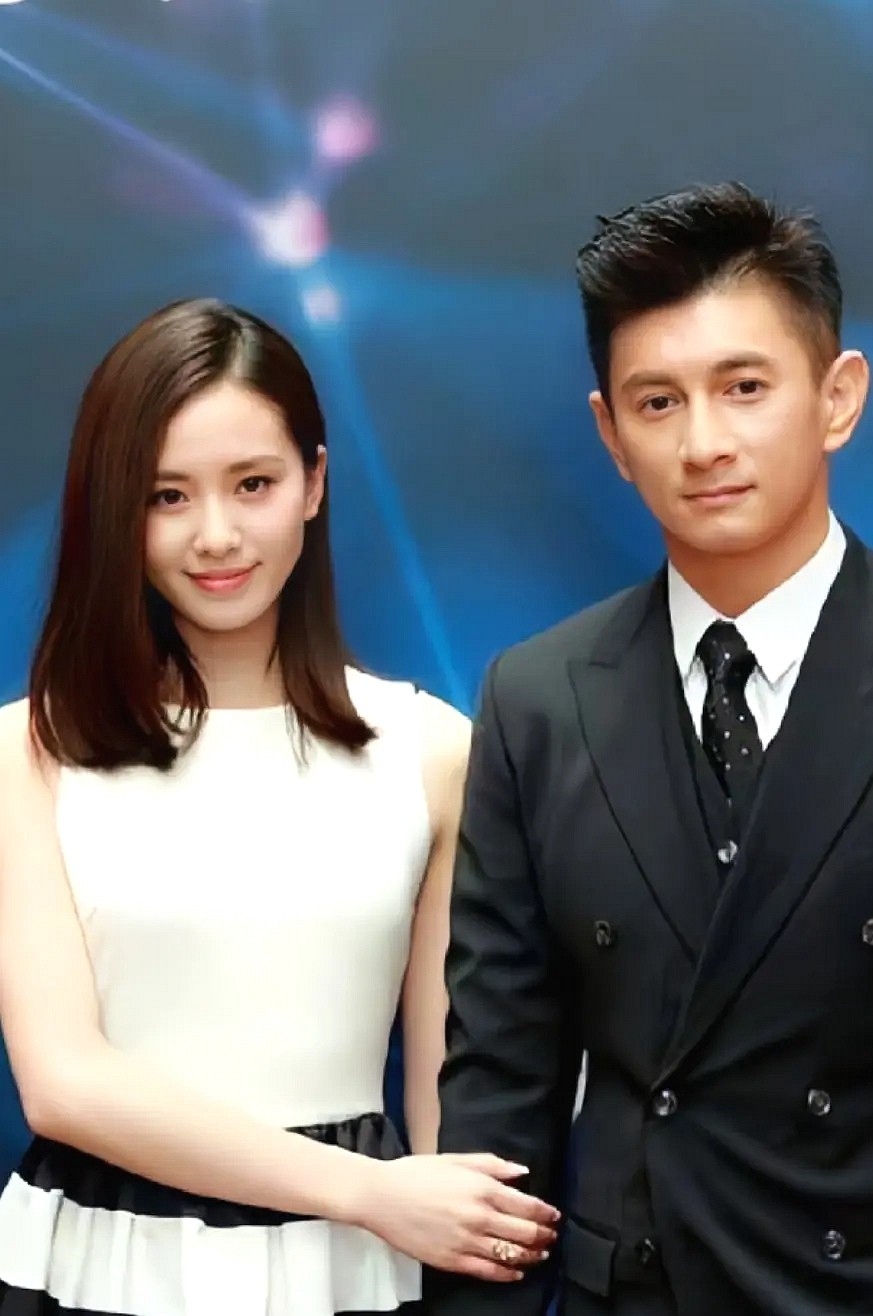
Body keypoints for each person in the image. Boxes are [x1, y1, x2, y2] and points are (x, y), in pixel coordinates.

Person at [428, 183, 873, 1316]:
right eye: (658, 401)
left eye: (744, 387)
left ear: (838, 397)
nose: (704, 443)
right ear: (610, 434)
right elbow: (501, 1091)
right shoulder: (538, 700)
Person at [0, 299, 558, 1316]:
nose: (216, 535)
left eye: (252, 484)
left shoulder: (429, 751)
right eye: (167, 495)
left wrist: (444, 1225)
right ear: (117, 508)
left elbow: (454, 1100)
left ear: (314, 481)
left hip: (354, 1273)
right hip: (98, 1262)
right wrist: (368, 1190)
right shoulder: (27, 749)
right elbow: (64, 1084)